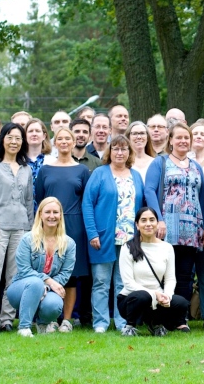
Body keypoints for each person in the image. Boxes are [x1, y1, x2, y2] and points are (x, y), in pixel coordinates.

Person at [144, 123, 204, 332]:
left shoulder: (196, 166)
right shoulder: (160, 163)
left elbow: (202, 197)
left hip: (190, 231)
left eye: (186, 138)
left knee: (185, 276)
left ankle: (179, 319)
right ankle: (160, 317)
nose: (183, 141)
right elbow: (150, 190)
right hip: (166, 229)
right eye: (178, 137)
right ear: (170, 140)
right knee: (162, 275)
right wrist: (158, 219)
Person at [82, 135, 144, 333]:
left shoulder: (135, 176)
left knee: (123, 282)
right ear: (110, 152)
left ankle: (121, 321)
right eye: (116, 148)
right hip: (103, 237)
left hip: (129, 239)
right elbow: (87, 204)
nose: (120, 152)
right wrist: (92, 233)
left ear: (129, 152)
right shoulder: (100, 173)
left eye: (124, 149)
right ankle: (100, 322)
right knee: (100, 282)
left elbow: (141, 208)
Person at [35, 128, 90, 333]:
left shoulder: (82, 170)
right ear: (55, 142)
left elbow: (86, 200)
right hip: (49, 223)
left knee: (71, 274)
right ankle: (50, 317)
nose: (64, 142)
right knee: (48, 269)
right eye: (60, 138)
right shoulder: (45, 169)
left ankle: (66, 320)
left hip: (74, 225)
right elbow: (40, 199)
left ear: (74, 141)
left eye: (68, 138)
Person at [0, 123, 34, 333]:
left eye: (18, 138)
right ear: (2, 139)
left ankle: (7, 319)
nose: (14, 142)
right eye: (10, 137)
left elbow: (29, 201)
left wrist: (30, 230)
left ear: (23, 143)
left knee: (14, 279)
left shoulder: (26, 169)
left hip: (21, 229)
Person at [6, 197, 76, 337]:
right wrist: (48, 282)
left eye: (55, 212)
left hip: (48, 291)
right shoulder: (27, 239)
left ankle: (43, 323)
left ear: (60, 215)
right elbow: (24, 270)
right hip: (20, 289)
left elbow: (65, 274)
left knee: (55, 304)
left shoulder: (69, 244)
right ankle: (24, 328)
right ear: (40, 215)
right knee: (35, 282)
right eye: (47, 212)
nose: (51, 216)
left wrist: (47, 288)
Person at [117, 207, 190, 336]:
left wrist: (167, 295)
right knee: (142, 296)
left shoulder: (166, 248)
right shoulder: (127, 247)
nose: (148, 224)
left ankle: (157, 324)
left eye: (152, 220)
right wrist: (155, 294)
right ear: (137, 225)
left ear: (157, 223)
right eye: (143, 220)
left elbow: (170, 278)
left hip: (158, 299)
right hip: (132, 299)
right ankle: (130, 326)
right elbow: (128, 283)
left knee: (181, 303)